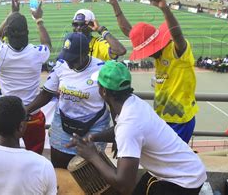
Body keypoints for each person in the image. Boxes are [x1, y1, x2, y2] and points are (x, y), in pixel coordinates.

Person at [68, 61, 206, 195]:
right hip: (183, 172)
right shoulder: (132, 103)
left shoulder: (129, 125)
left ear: (103, 91)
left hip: (183, 183)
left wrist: (92, 156)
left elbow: (124, 186)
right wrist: (94, 137)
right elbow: (122, 131)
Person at [108, 0, 197, 143]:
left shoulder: (177, 50)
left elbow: (177, 34)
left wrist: (164, 8)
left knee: (170, 162)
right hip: (161, 117)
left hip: (180, 120)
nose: (147, 54)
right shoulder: (159, 54)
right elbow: (128, 31)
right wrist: (115, 4)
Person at [26, 32, 110, 168]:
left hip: (93, 126)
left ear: (86, 53)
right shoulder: (61, 65)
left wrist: (118, 135)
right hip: (64, 123)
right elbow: (46, 94)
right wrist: (26, 110)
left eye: (74, 59)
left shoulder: (102, 69)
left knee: (89, 169)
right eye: (67, 59)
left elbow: (114, 102)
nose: (69, 64)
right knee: (59, 166)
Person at [0, 0, 51, 154]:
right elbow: (47, 45)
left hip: (7, 116)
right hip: (32, 116)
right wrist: (39, 20)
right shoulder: (37, 53)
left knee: (7, 154)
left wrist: (12, 13)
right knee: (34, 155)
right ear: (27, 32)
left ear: (7, 33)